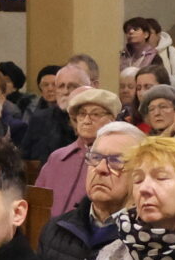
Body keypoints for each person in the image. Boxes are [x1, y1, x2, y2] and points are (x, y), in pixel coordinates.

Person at [36, 119, 138, 260]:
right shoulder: (56, 229)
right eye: (96, 158)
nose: (101, 169)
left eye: (116, 160)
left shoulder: (146, 241)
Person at [31, 86, 120, 216]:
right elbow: (37, 203)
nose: (86, 121)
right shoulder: (57, 158)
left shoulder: (117, 160)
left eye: (95, 114)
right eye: (82, 114)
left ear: (112, 119)